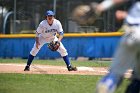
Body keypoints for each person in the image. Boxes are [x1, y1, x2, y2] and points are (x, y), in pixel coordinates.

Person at [93, 0, 140, 93]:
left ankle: (107, 85)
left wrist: (101, 6)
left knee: (115, 75)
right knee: (138, 79)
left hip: (132, 33)